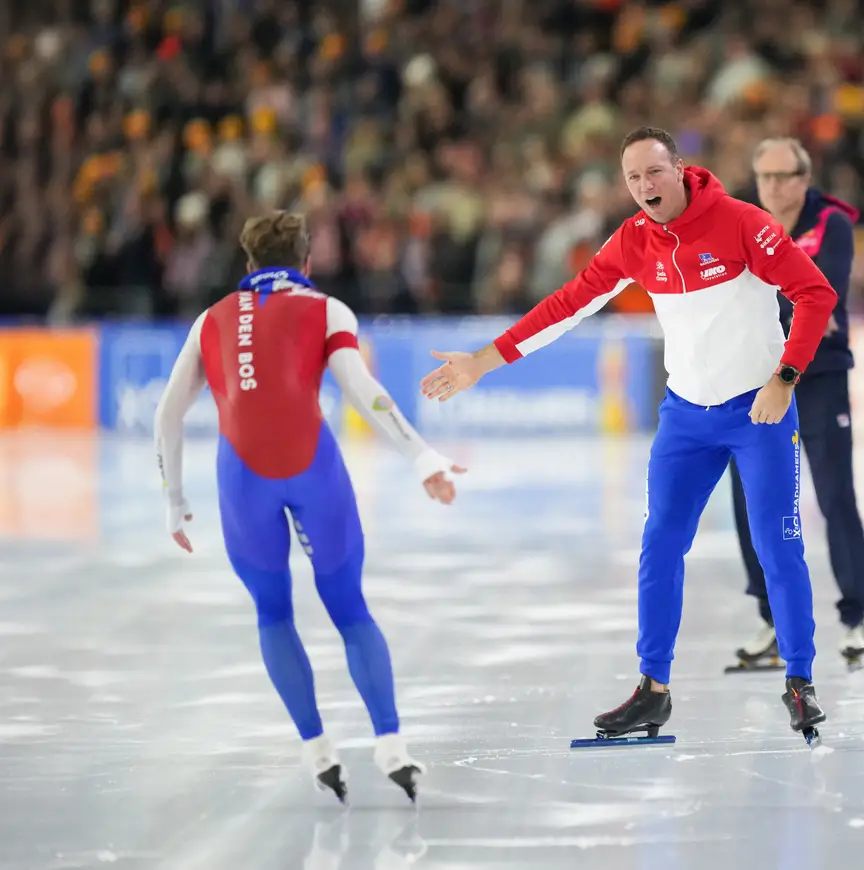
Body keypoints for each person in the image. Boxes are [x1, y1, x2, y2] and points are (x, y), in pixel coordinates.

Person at [420, 126, 837, 742]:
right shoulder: (636, 241)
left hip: (760, 414)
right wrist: (483, 361)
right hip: (687, 419)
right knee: (660, 544)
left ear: (680, 170)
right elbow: (567, 304)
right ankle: (653, 689)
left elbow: (815, 291)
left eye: (654, 173)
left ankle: (799, 682)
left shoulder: (744, 223)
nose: (645, 187)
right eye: (634, 178)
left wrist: (785, 378)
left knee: (779, 547)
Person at [154, 211, 466, 803]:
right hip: (314, 469)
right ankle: (391, 746)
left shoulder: (209, 321)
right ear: (307, 262)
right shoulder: (327, 309)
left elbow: (168, 414)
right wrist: (423, 458)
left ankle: (317, 749)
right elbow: (364, 392)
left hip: (241, 481)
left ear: (248, 266)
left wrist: (174, 498)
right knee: (349, 610)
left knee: (273, 615)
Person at [728, 138, 864, 672]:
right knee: (750, 503)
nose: (775, 187)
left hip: (820, 376)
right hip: (758, 381)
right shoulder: (743, 222)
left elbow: (821, 296)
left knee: (835, 496)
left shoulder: (830, 222)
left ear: (805, 178)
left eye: (785, 176)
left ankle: (857, 618)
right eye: (766, 177)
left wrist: (776, 302)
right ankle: (772, 620)